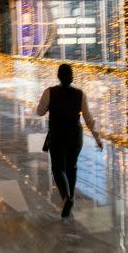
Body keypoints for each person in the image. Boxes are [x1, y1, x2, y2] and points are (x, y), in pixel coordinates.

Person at [36, 63, 102, 219]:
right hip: (75, 135)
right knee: (71, 166)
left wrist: (48, 106)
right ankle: (70, 198)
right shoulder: (80, 94)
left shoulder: (49, 92)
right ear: (72, 77)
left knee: (58, 168)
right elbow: (88, 118)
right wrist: (97, 138)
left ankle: (67, 198)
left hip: (58, 134)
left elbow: (39, 112)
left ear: (58, 76)